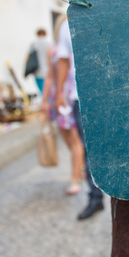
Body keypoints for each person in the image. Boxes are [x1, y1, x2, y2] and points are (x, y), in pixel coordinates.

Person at [55, 17, 104, 220]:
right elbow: (64, 60)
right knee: (88, 150)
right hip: (80, 96)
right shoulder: (67, 25)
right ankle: (95, 198)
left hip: (110, 94)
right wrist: (59, 92)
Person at [42, 16, 84, 196]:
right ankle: (79, 166)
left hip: (69, 95)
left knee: (75, 139)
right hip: (58, 96)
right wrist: (45, 100)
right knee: (67, 137)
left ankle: (74, 178)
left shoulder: (74, 47)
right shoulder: (52, 50)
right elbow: (50, 75)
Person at [30, 28, 51, 94]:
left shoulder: (33, 44)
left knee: (40, 90)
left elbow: (28, 57)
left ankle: (43, 102)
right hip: (47, 70)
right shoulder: (49, 43)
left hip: (37, 70)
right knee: (47, 90)